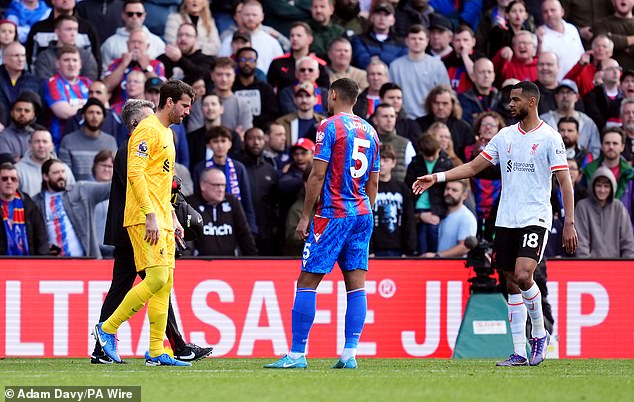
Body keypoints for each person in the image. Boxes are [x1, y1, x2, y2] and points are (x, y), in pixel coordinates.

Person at [412, 81, 577, 367]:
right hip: (506, 218)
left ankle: (539, 333)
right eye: (509, 100)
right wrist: (437, 177)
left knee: (525, 275)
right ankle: (518, 351)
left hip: (535, 217)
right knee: (511, 283)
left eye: (515, 100)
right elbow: (474, 167)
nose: (510, 105)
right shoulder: (504, 136)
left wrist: (569, 222)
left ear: (531, 102)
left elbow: (564, 182)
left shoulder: (550, 138)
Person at [264, 77, 379, 369]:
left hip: (333, 214)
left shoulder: (330, 126)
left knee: (307, 282)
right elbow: (374, 181)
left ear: (333, 95)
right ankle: (350, 353)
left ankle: (296, 354)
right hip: (363, 213)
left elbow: (316, 175)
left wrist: (305, 216)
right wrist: (365, 212)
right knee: (356, 286)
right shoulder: (371, 131)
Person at [90, 99, 212, 364]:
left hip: (140, 225)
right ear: (136, 123)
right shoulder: (130, 148)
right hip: (140, 226)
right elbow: (138, 182)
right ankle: (166, 345)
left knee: (142, 285)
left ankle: (115, 349)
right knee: (158, 282)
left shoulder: (146, 144)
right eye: (149, 118)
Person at [32, 158, 110, 257]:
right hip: (54, 265)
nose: (61, 176)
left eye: (63, 172)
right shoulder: (36, 202)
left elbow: (110, 188)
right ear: (46, 176)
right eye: (56, 173)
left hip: (86, 262)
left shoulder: (81, 190)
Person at [188, 168, 258, 256]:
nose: (221, 189)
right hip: (199, 265)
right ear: (203, 185)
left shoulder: (232, 202)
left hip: (230, 264)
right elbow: (186, 241)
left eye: (223, 185)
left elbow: (245, 235)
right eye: (216, 185)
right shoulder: (189, 204)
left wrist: (253, 261)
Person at [389, 24, 450, 120]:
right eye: (413, 38)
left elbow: (446, 94)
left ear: (427, 41)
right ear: (406, 41)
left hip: (430, 119)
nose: (417, 42)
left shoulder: (437, 65)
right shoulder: (395, 66)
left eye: (420, 39)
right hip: (404, 119)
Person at [575, 167, 634, 258]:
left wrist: (626, 267)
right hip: (589, 267)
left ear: (612, 188)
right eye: (599, 185)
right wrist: (586, 267)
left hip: (616, 267)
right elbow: (581, 243)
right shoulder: (582, 207)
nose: (602, 190)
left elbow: (628, 242)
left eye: (606, 186)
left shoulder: (619, 207)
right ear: (592, 186)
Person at [371, 144, 416, 257]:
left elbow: (409, 219)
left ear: (393, 163)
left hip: (398, 248)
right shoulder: (368, 187)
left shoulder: (403, 189)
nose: (381, 163)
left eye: (385, 160)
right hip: (373, 248)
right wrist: (368, 249)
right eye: (378, 159)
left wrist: (408, 250)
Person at [58, 98, 117, 181]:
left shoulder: (111, 141)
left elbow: (114, 171)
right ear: (83, 115)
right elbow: (65, 174)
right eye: (90, 112)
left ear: (103, 117)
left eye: (98, 113)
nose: (94, 116)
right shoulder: (68, 141)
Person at [0, 162, 48, 256]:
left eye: (13, 179)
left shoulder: (28, 204)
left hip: (27, 263)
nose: (9, 182)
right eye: (4, 179)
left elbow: (40, 237)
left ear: (18, 183)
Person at [421, 179, 477, 258]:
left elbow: (464, 247)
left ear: (464, 195)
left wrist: (437, 256)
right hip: (436, 264)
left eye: (454, 190)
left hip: (454, 267)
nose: (449, 192)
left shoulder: (466, 217)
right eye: (447, 189)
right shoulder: (440, 213)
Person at [15, 127, 76, 197]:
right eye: (37, 141)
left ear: (52, 146)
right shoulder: (18, 170)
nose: (41, 145)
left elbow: (73, 196)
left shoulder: (64, 169)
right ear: (30, 145)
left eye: (45, 141)